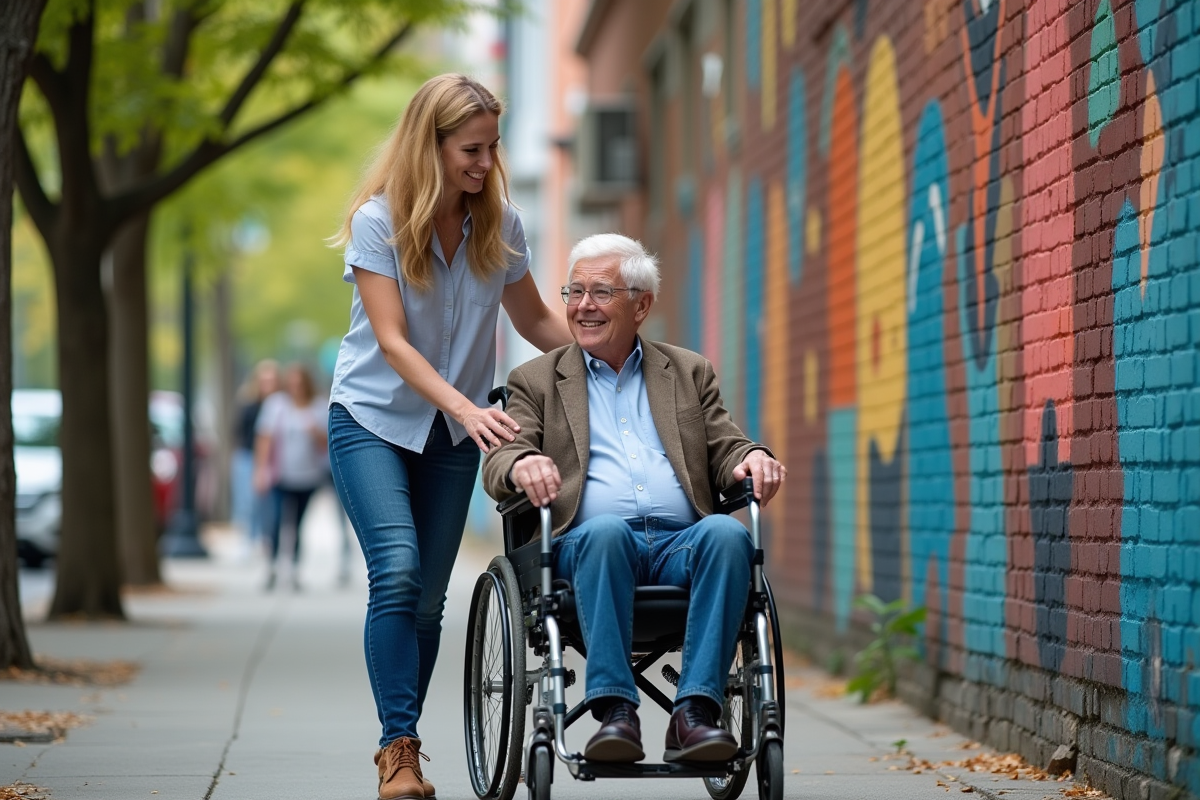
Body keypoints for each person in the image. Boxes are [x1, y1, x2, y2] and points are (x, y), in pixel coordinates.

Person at [325, 73, 572, 800]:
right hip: (371, 421)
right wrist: (467, 409)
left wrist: (616, 356)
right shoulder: (378, 222)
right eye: (471, 149)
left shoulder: (502, 225)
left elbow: (535, 321)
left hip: (451, 437)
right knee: (397, 570)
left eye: (492, 147)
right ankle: (397, 750)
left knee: (429, 599)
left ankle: (403, 743)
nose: (486, 163)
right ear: (428, 146)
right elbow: (393, 342)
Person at [482, 233, 786, 764]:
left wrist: (753, 457)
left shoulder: (688, 372)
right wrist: (521, 463)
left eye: (601, 292)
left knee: (727, 534)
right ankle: (616, 712)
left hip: (679, 547)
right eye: (574, 292)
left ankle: (695, 714)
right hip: (584, 548)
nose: (583, 306)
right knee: (606, 533)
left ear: (641, 305)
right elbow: (500, 458)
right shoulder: (536, 380)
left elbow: (726, 445)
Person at [253, 362, 328, 591]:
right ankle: (272, 566)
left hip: (307, 476)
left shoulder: (318, 407)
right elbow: (264, 438)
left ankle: (294, 568)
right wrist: (260, 470)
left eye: (300, 384)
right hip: (280, 475)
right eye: (292, 383)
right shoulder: (276, 405)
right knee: (276, 520)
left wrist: (314, 431)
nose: (296, 388)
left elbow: (327, 443)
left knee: (297, 525)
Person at [232, 359, 280, 549]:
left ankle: (264, 536)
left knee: (268, 503)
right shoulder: (248, 404)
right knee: (247, 500)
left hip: (272, 460)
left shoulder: (280, 405)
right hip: (247, 456)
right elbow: (238, 431)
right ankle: (247, 538)